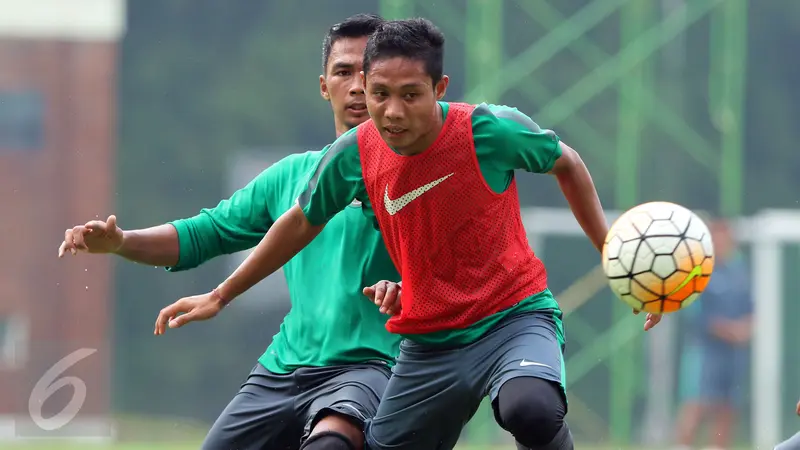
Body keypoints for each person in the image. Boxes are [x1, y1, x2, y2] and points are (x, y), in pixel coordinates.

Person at [155, 18, 663, 450]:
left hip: (511, 318)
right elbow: (298, 223)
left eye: (410, 95)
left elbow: (566, 164)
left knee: (529, 407)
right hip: (428, 344)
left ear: (439, 90)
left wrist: (612, 252)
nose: (392, 112)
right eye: (379, 94)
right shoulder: (355, 153)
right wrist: (221, 295)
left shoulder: (489, 131)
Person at [58, 13, 403, 450]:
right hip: (283, 370)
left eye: (368, 73)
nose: (356, 85)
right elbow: (205, 233)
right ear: (323, 86)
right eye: (343, 72)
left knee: (332, 445)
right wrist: (121, 242)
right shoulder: (290, 176)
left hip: (371, 367)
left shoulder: (418, 179)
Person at [674, 218, 752, 450]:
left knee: (728, 406)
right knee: (696, 404)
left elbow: (752, 308)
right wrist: (729, 331)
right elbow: (697, 316)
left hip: (734, 353)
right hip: (705, 350)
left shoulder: (739, 272)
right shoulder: (699, 273)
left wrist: (745, 329)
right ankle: (682, 445)